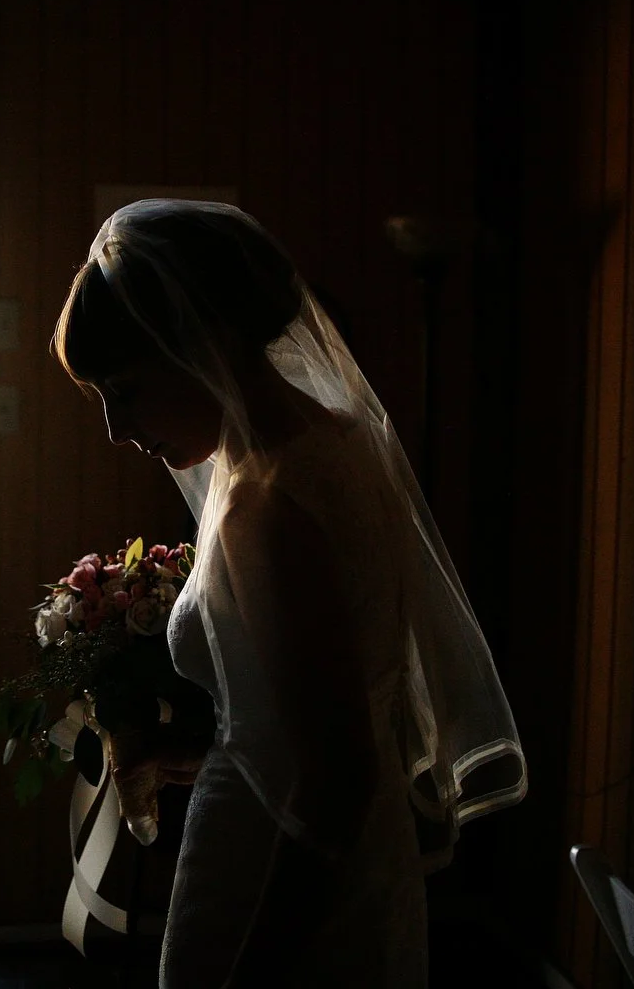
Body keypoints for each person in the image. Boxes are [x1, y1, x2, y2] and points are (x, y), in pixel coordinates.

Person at [51, 201, 527, 986]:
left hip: (272, 877)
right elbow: (327, 710)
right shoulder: (342, 443)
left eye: (125, 390)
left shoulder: (265, 507)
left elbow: (335, 781)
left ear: (195, 346)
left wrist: (255, 967)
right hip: (361, 860)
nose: (115, 428)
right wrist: (204, 753)